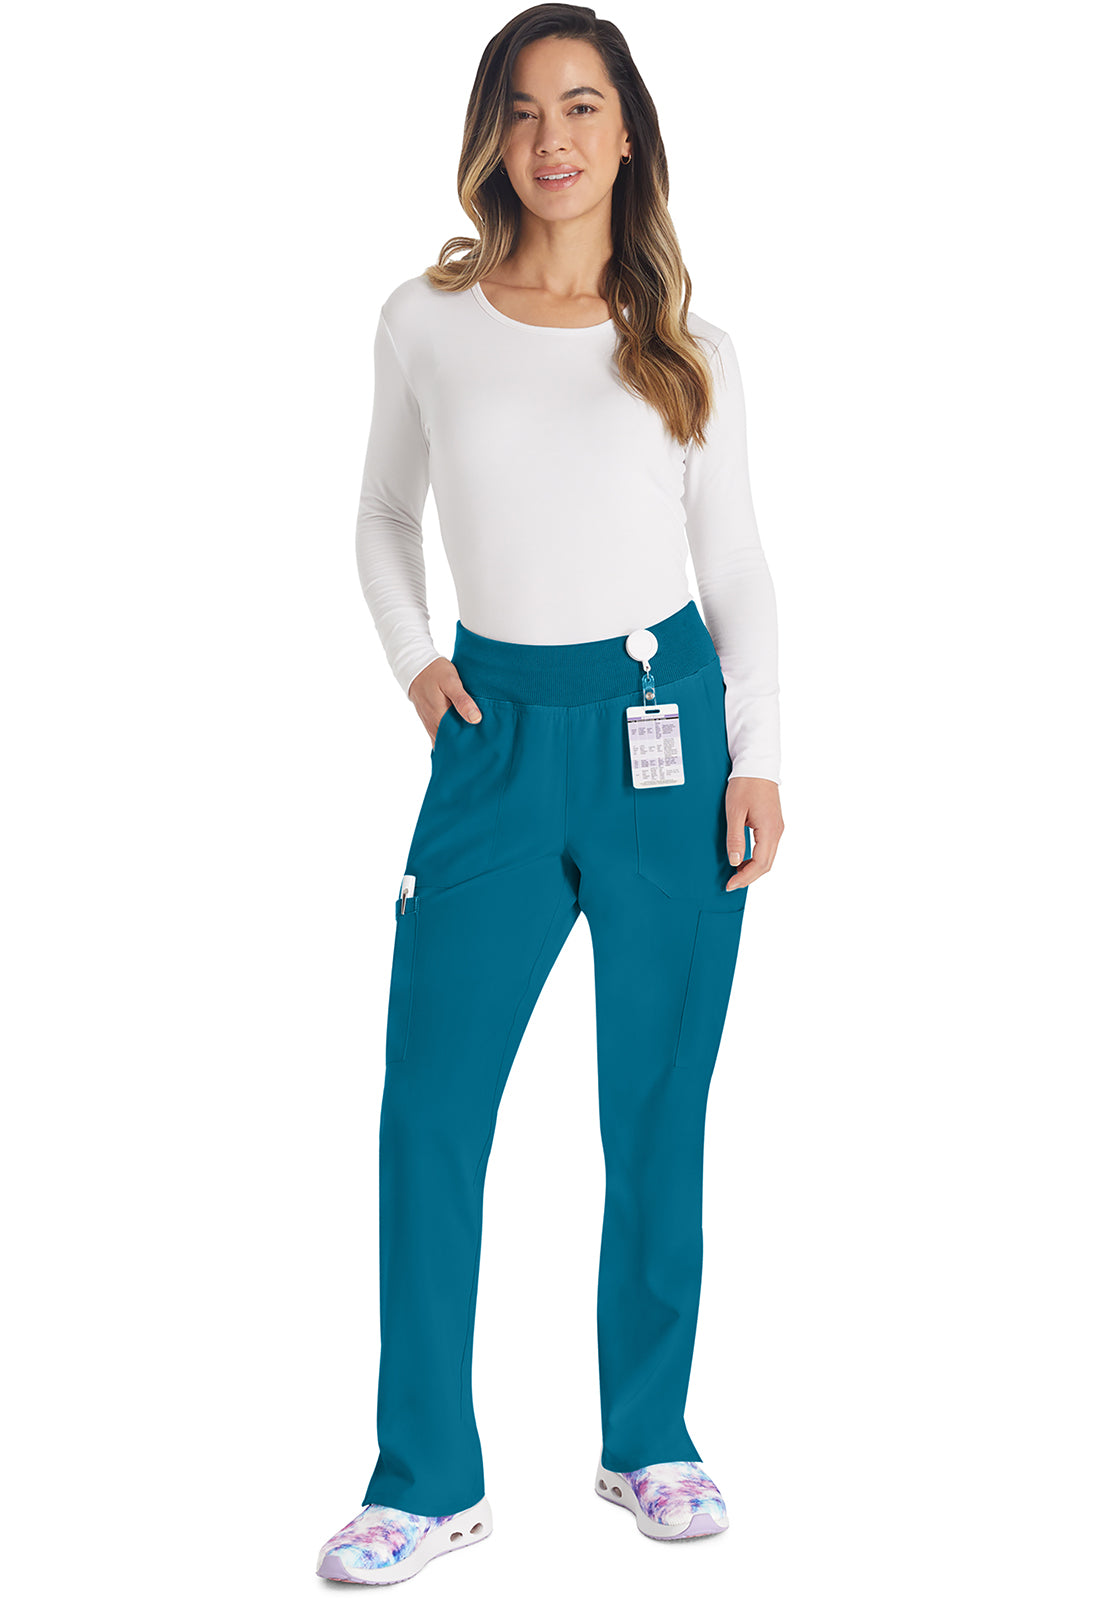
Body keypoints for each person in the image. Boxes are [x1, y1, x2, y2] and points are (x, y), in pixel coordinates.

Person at [316, 4, 784, 1585]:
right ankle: (424, 1476)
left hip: (668, 736)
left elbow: (737, 567)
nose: (552, 138)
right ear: (492, 136)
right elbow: (382, 515)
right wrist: (417, 666)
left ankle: (649, 1439)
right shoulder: (425, 320)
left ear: (627, 130)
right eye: (522, 110)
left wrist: (761, 753)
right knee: (430, 1116)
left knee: (655, 1112)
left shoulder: (689, 345)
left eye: (581, 106)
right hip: (495, 743)